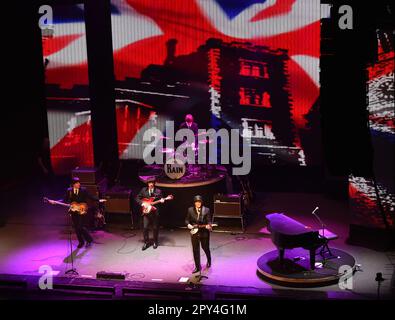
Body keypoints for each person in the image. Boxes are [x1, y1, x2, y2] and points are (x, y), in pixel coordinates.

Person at [48, 177, 106, 248]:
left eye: (79, 182)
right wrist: (55, 202)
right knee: (76, 227)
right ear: (73, 184)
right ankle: (81, 242)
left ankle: (89, 240)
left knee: (81, 226)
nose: (79, 184)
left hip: (82, 210)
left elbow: (91, 196)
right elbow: (64, 200)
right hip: (74, 211)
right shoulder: (69, 191)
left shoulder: (83, 190)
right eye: (77, 183)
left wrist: (99, 200)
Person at [185, 195, 212, 273]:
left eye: (199, 202)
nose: (198, 203)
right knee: (195, 250)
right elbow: (186, 220)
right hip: (194, 232)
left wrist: (209, 225)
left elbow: (209, 221)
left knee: (205, 248)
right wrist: (188, 225)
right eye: (196, 202)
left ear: (201, 202)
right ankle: (197, 267)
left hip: (204, 232)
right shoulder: (190, 210)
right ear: (194, 203)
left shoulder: (206, 210)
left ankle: (209, 260)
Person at [136, 178, 164, 250]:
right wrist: (143, 203)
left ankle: (155, 242)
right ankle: (146, 242)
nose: (151, 184)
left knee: (155, 228)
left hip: (155, 212)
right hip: (146, 212)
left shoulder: (158, 191)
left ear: (154, 183)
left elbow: (161, 199)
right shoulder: (143, 190)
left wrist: (162, 200)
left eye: (152, 183)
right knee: (145, 228)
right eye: (149, 183)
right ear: (147, 184)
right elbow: (137, 198)